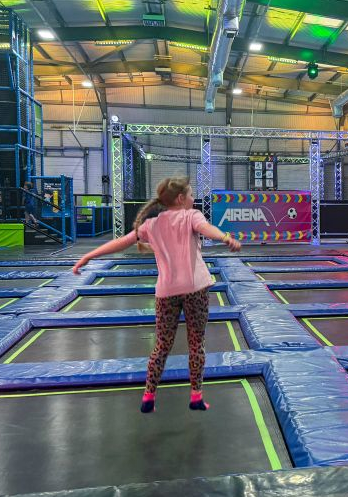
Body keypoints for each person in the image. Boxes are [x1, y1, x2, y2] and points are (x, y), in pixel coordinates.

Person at [72, 177, 242, 413]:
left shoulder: (151, 225)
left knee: (161, 346)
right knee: (196, 345)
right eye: (191, 195)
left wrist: (89, 256)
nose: (194, 199)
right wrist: (225, 238)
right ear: (181, 199)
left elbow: (122, 243)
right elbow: (208, 230)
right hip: (196, 289)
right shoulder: (191, 216)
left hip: (166, 292)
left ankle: (149, 396)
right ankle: (196, 396)